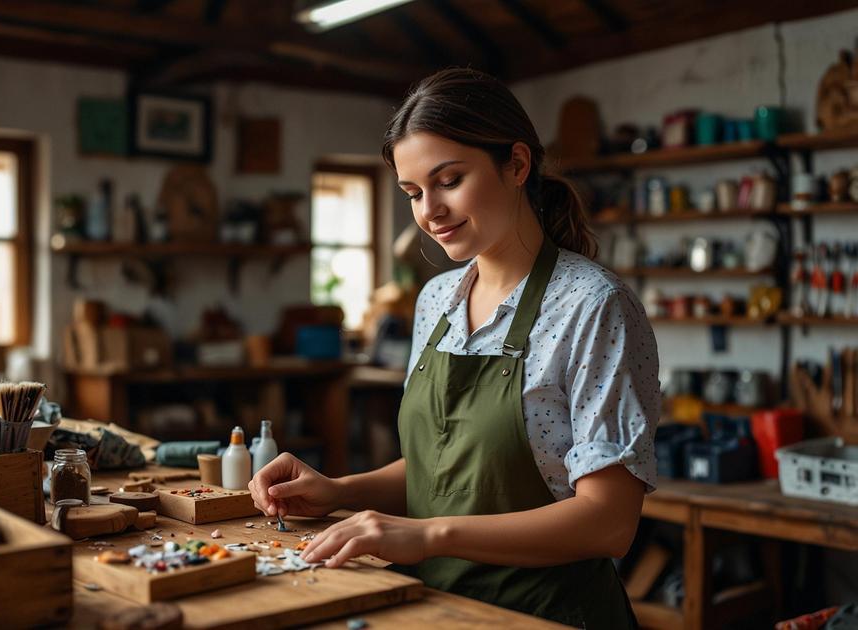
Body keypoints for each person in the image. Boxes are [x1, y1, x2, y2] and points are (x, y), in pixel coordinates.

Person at [249, 68, 660, 628]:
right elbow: (444, 472)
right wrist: (338, 490)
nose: (428, 213)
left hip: (547, 614)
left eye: (448, 181)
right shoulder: (436, 299)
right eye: (413, 193)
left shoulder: (593, 305)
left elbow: (608, 523)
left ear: (517, 164)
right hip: (437, 611)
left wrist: (426, 535)